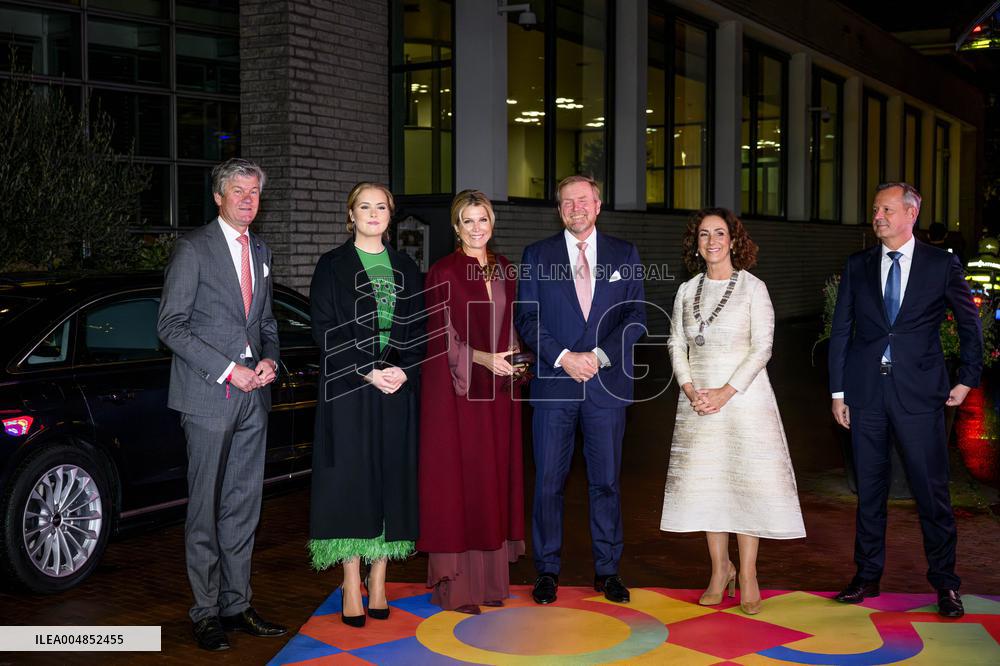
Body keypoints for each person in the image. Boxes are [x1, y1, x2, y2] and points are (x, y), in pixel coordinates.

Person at [829, 182, 982, 618]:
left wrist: (968, 378)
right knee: (869, 491)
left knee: (931, 492)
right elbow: (842, 330)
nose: (877, 217)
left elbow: (969, 322)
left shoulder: (941, 264)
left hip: (920, 395)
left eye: (887, 209)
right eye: (875, 209)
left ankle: (946, 584)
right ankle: (866, 576)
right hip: (866, 395)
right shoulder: (858, 265)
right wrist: (838, 392)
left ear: (911, 213)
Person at [157, 158, 287, 651]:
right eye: (238, 191)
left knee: (243, 506)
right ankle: (205, 611)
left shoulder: (262, 250)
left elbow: (266, 322)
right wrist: (229, 369)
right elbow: (170, 326)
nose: (248, 200)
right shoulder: (193, 248)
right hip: (209, 396)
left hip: (255, 397)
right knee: (205, 509)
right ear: (218, 197)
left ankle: (237, 604)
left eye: (254, 192)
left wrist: (271, 360)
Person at [659, 208, 805, 615]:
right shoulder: (687, 290)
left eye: (720, 233)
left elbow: (763, 348)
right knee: (709, 485)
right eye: (704, 234)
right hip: (698, 403)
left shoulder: (754, 288)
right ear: (696, 244)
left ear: (734, 240)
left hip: (744, 401)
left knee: (745, 483)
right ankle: (720, 569)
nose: (712, 241)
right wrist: (690, 388)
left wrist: (725, 392)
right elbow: (676, 343)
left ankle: (750, 573)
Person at [515, 175, 646, 605]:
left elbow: (636, 317)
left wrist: (600, 356)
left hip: (606, 387)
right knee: (548, 483)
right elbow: (527, 318)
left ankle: (608, 570)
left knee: (605, 482)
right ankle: (546, 570)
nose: (576, 207)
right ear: (559, 210)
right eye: (567, 202)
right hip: (555, 384)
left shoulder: (625, 254)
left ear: (598, 205)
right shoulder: (537, 255)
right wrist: (564, 357)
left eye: (583, 200)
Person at [308, 182, 426, 628]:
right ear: (351, 214)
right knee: (351, 483)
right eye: (365, 206)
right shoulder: (331, 265)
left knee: (390, 481)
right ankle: (349, 580)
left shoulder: (406, 267)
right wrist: (367, 370)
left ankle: (379, 580)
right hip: (349, 390)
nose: (373, 214)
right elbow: (324, 328)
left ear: (390, 215)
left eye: (381, 207)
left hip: (395, 390)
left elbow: (420, 328)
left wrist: (404, 370)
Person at [417, 190, 526, 615]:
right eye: (468, 221)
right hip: (458, 395)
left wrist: (515, 360)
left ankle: (491, 583)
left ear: (492, 224)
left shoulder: (505, 268)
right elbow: (439, 334)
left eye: (483, 219)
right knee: (462, 481)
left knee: (492, 478)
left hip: (498, 393)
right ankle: (460, 587)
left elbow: (512, 323)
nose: (477, 228)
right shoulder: (443, 271)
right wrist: (482, 359)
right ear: (456, 227)